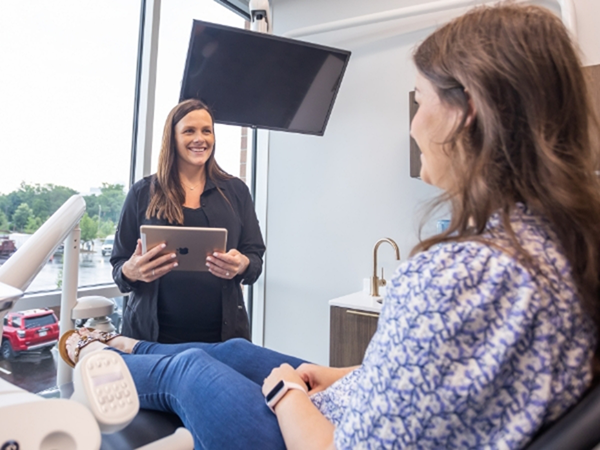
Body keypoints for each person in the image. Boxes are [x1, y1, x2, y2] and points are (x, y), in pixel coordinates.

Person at [63, 4, 600, 449]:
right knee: (228, 356)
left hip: (321, 432)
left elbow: (336, 442)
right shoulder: (558, 246)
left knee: (193, 370)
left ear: (469, 111)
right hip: (194, 336)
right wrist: (342, 377)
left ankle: (94, 350)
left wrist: (286, 391)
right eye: (190, 131)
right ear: (173, 138)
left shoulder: (457, 277)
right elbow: (439, 377)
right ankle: (124, 344)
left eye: (421, 100)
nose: (414, 122)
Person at [110, 99, 265, 344]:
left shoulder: (236, 191)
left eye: (207, 131)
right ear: (172, 138)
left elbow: (255, 256)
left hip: (223, 339)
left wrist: (243, 264)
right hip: (153, 340)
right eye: (189, 131)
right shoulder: (142, 192)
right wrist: (131, 271)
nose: (200, 139)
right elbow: (119, 263)